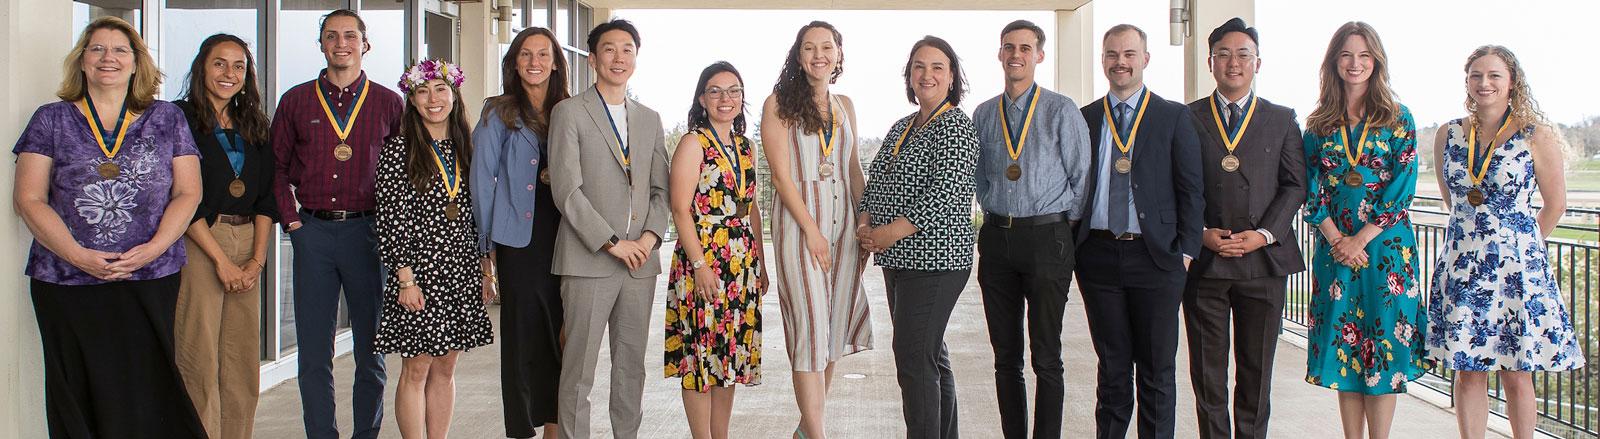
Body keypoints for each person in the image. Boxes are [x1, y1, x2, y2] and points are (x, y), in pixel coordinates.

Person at [12, 16, 206, 438]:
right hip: (66, 280)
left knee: (148, 389)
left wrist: (153, 248)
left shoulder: (167, 118)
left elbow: (188, 194)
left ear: (137, 63)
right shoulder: (51, 119)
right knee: (77, 390)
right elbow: (28, 199)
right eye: (97, 49)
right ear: (81, 62)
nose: (108, 58)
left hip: (149, 276)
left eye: (120, 50)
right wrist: (78, 256)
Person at [1427, 45, 1586, 439]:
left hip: (1516, 271)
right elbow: (1455, 200)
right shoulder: (1449, 133)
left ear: (1511, 81)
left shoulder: (1536, 135)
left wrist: (1521, 246)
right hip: (1463, 265)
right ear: (1467, 81)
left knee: (1517, 372)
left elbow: (1555, 204)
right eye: (1476, 75)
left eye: (1494, 75)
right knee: (1468, 372)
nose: (1485, 83)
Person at [269, 9, 404, 439]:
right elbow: (275, 168)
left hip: (369, 235)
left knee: (371, 349)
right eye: (331, 36)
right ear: (321, 44)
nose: (340, 43)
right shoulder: (296, 100)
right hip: (314, 235)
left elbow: (402, 173)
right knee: (313, 352)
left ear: (365, 44)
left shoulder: (388, 102)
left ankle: (367, 433)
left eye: (350, 36)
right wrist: (292, 224)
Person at [1074, 24, 1203, 439]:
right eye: (1112, 54)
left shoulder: (1172, 116)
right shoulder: (1087, 118)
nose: (1120, 62)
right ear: (1103, 61)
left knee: (1156, 372)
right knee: (1111, 370)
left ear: (1144, 59)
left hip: (1156, 258)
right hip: (1097, 256)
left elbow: (1191, 190)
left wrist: (1185, 252)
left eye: (1129, 54)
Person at [1301, 21, 1427, 439]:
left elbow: (1402, 187)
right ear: (1334, 62)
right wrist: (1339, 240)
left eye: (1364, 56)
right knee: (1347, 346)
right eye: (1346, 55)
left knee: (1383, 348)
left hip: (1386, 252)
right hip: (1336, 250)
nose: (1355, 64)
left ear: (1376, 62)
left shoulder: (1397, 118)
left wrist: (1361, 239)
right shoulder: (1318, 123)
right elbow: (1310, 187)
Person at [1182, 18, 1305, 439]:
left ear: (1258, 63)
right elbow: (1173, 184)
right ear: (1210, 62)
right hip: (1205, 264)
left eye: (1243, 55)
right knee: (1208, 376)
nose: (1233, 63)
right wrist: (1198, 232)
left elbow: (1295, 185)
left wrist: (1264, 234)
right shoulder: (1186, 117)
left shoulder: (1281, 118)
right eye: (1224, 55)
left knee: (1256, 374)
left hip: (1263, 264)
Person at [547, 19, 669, 439]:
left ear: (636, 56)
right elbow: (567, 191)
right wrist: (614, 243)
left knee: (632, 366)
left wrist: (649, 240)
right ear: (594, 57)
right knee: (578, 369)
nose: (619, 58)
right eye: (610, 49)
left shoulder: (650, 118)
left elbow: (661, 190)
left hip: (640, 264)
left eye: (627, 49)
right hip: (589, 260)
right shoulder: (568, 112)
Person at [970, 19, 1090, 439]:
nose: (1016, 54)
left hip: (1046, 238)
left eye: (1025, 47)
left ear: (1039, 55)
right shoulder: (984, 113)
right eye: (1008, 47)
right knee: (1005, 356)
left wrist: (1057, 230)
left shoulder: (1061, 109)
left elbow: (1082, 179)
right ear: (1000, 54)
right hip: (997, 240)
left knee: (1047, 356)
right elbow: (980, 178)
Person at [858, 35, 979, 439]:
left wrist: (887, 233)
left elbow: (943, 192)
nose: (926, 75)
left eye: (937, 67)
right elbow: (876, 181)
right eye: (919, 67)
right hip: (899, 263)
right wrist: (865, 222)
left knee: (912, 358)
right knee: (930, 355)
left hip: (937, 263)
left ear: (951, 78)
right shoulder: (901, 126)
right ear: (909, 76)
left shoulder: (956, 126)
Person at [758, 20, 873, 439]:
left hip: (844, 229)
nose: (819, 54)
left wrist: (864, 221)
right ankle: (819, 435)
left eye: (827, 47)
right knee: (808, 330)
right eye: (810, 48)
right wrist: (811, 230)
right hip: (802, 228)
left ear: (839, 54)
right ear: (798, 56)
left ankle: (807, 431)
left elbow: (852, 170)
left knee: (832, 330)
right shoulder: (778, 105)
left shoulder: (845, 104)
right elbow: (782, 177)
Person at [374, 58, 496, 439]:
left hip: (460, 271)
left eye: (440, 90)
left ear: (454, 95)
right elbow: (390, 219)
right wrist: (405, 279)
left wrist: (486, 271)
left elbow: (479, 216)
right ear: (411, 101)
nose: (432, 99)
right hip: (419, 276)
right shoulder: (399, 150)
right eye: (422, 92)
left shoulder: (469, 148)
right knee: (417, 369)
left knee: (445, 368)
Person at [173, 33, 279, 439]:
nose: (228, 73)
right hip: (200, 239)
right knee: (198, 355)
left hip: (248, 239)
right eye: (220, 63)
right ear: (202, 67)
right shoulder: (178, 117)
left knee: (240, 358)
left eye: (238, 66)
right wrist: (220, 260)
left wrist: (256, 260)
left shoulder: (254, 124)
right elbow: (180, 195)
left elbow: (268, 196)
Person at [471, 26, 571, 439]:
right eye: (525, 54)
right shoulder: (498, 112)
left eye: (543, 54)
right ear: (514, 62)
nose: (534, 62)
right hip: (519, 240)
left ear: (555, 62)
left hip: (568, 235)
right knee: (523, 337)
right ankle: (522, 430)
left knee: (564, 335)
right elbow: (482, 180)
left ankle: (555, 428)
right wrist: (485, 248)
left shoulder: (571, 108)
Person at [666, 61, 769, 439]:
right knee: (700, 357)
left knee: (729, 356)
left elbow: (751, 207)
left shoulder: (746, 146)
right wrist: (700, 265)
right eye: (716, 91)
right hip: (704, 258)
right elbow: (680, 208)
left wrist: (760, 264)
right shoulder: (694, 142)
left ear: (742, 98)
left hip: (741, 260)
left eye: (734, 91)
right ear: (701, 98)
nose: (725, 99)